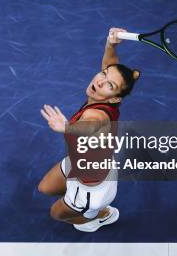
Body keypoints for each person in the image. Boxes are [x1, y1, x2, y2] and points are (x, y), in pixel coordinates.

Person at [38, 27, 140, 232]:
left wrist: (66, 127)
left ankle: (99, 215)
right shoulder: (107, 97)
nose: (99, 81)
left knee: (56, 214)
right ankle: (86, 208)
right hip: (82, 162)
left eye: (108, 84)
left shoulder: (96, 115)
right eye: (103, 74)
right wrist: (110, 44)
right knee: (45, 188)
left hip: (89, 188)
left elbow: (91, 126)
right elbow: (109, 65)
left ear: (115, 98)